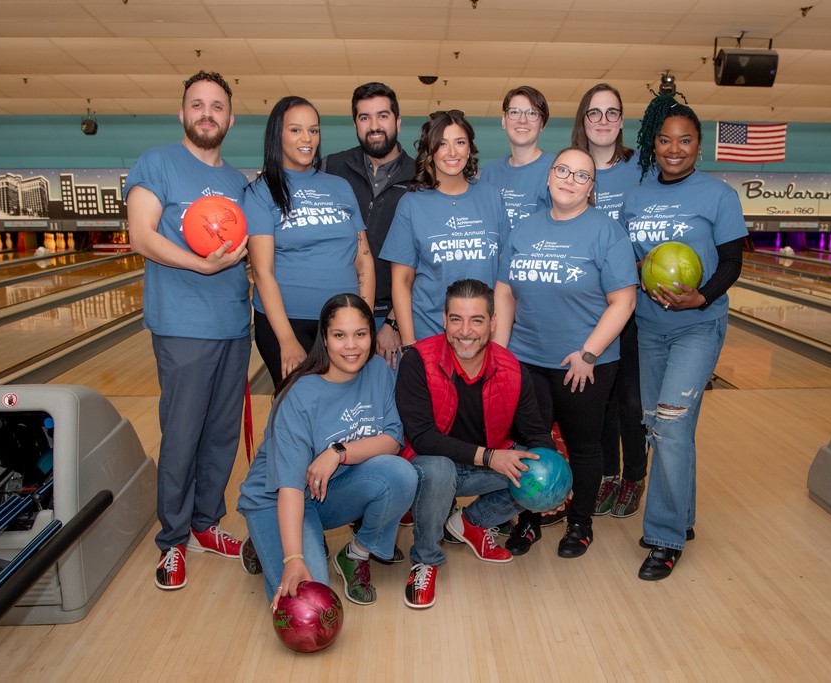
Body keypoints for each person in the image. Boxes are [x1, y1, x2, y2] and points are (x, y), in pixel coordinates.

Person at [125, 70, 251, 591]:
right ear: (182, 114)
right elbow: (140, 235)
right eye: (197, 105)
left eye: (216, 106)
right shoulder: (157, 163)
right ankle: (173, 540)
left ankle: (205, 523)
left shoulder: (239, 181)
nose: (206, 113)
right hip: (181, 325)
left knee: (221, 433)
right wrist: (200, 266)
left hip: (233, 324)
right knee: (182, 433)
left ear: (229, 117)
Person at [622, 93, 747, 580]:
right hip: (649, 329)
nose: (675, 149)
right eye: (666, 139)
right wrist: (640, 268)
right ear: (654, 143)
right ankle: (684, 518)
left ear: (699, 145)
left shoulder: (718, 195)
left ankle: (664, 537)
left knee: (671, 427)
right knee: (662, 427)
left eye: (686, 140)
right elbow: (627, 257)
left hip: (698, 326)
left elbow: (733, 260)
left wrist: (704, 297)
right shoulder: (637, 194)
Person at [494, 148, 637, 558]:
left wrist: (588, 354)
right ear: (549, 176)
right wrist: (502, 353)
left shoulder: (606, 232)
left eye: (581, 175)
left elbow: (623, 302)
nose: (569, 180)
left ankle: (580, 522)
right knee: (529, 447)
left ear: (592, 187)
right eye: (562, 170)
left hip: (584, 366)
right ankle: (530, 520)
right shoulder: (523, 228)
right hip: (526, 361)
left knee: (584, 446)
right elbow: (504, 290)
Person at [237, 294, 417, 607]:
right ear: (324, 338)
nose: (351, 346)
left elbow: (392, 440)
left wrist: (338, 452)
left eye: (360, 334)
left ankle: (355, 555)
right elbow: (291, 488)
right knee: (307, 601)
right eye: (339, 335)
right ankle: (268, 538)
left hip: (328, 490)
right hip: (279, 496)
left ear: (371, 335)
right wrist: (294, 559)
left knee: (401, 474)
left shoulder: (378, 370)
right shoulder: (298, 395)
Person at [395, 279, 554, 609]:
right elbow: (422, 437)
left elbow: (537, 435)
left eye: (476, 320)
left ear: (493, 323)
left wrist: (554, 481)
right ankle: (425, 559)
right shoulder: (417, 361)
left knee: (537, 470)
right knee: (439, 469)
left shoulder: (513, 370)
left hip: (484, 465)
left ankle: (470, 522)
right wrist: (489, 456)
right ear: (444, 320)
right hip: (428, 466)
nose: (465, 331)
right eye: (456, 319)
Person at [244, 95, 376, 386]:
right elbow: (263, 272)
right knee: (299, 413)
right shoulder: (261, 192)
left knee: (343, 412)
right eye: (295, 130)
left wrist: (362, 320)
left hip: (342, 323)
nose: (307, 138)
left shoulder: (339, 187)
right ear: (277, 134)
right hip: (288, 323)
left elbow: (363, 257)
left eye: (313, 130)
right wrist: (287, 340)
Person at [571, 83, 648, 519]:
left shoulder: (641, 170)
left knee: (630, 402)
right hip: (587, 306)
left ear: (621, 121)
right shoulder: (574, 168)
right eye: (594, 113)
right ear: (583, 120)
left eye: (611, 112)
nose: (602, 120)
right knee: (597, 402)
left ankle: (634, 476)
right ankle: (607, 476)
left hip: (632, 306)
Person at [380, 110, 508, 348]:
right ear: (430, 151)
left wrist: (498, 341)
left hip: (482, 336)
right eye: (442, 144)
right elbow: (401, 281)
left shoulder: (491, 196)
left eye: (459, 142)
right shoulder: (412, 203)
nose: (452, 152)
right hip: (428, 332)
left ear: (469, 148)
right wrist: (409, 343)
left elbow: (504, 278)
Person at [322, 82, 417, 368]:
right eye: (365, 117)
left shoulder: (421, 177)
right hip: (337, 314)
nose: (374, 125)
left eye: (383, 116)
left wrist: (395, 323)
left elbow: (425, 256)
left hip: (394, 316)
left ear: (398, 122)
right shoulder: (330, 169)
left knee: (391, 407)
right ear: (355, 124)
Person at [480, 85, 554, 229]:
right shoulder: (491, 171)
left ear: (542, 124)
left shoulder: (556, 168)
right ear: (504, 119)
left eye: (532, 113)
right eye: (514, 112)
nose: (522, 120)